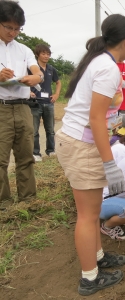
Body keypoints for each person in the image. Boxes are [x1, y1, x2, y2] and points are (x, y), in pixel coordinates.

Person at [55, 14, 125, 296]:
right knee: (88, 216)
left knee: (91, 212)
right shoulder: (109, 68)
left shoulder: (99, 61)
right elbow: (97, 119)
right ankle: (89, 278)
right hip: (82, 146)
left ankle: (98, 258)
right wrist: (109, 163)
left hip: (79, 143)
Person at [0, 0, 44, 205]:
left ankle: (28, 200)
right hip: (1, 108)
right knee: (0, 160)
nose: (13, 32)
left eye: (17, 28)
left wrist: (36, 77)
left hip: (23, 107)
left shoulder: (24, 50)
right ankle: (4, 203)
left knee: (26, 156)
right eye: (8, 27)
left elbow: (37, 72)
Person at [29, 44, 61, 162]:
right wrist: (28, 91)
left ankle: (51, 150)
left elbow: (58, 82)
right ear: (37, 54)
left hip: (48, 102)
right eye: (43, 53)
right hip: (35, 103)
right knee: (34, 130)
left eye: (48, 54)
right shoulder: (31, 68)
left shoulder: (51, 69)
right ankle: (36, 153)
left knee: (50, 129)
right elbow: (24, 80)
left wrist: (57, 94)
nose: (46, 56)